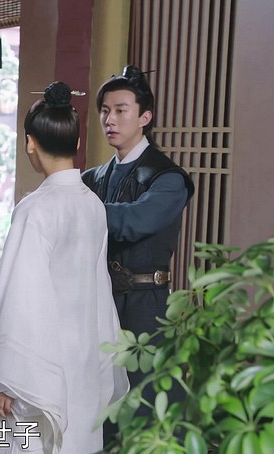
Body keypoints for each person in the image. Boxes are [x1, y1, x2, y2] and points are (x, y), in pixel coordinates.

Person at [0, 81, 129, 454]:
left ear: (30, 143)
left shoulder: (36, 209)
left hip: (40, 369)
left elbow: (22, 297)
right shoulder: (93, 206)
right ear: (77, 143)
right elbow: (99, 290)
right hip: (84, 359)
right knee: (75, 453)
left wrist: (9, 379)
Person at [82, 66, 195, 422]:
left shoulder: (168, 178)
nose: (110, 119)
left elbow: (135, 221)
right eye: (105, 110)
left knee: (144, 404)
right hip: (98, 300)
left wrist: (75, 207)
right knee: (96, 405)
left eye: (121, 110)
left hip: (145, 304)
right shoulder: (93, 178)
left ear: (145, 117)